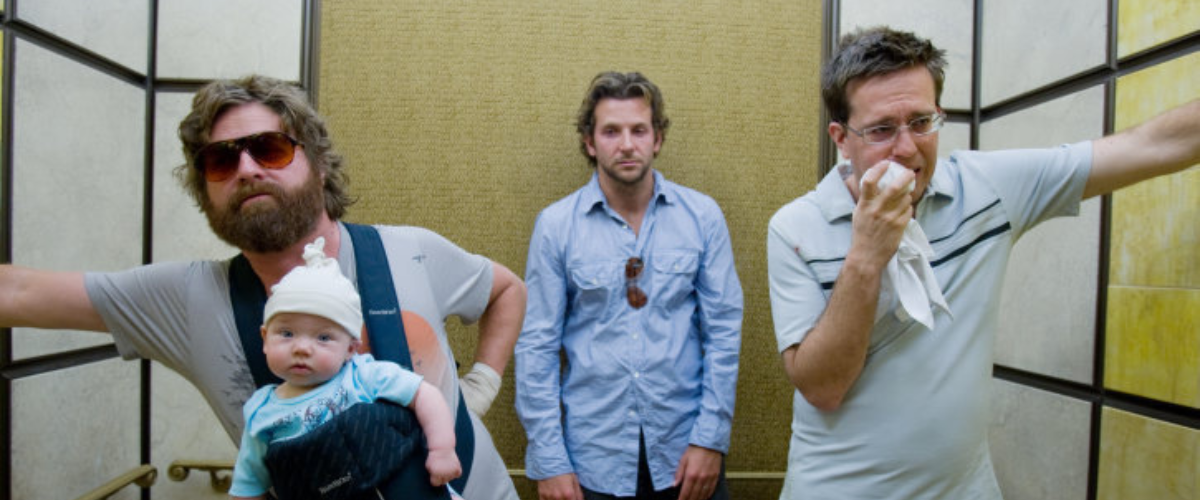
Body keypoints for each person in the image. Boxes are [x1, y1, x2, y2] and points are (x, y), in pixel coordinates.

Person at [0, 75, 524, 500]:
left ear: (318, 167)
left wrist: (480, 388)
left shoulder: (411, 249)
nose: (246, 169)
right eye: (221, 160)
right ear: (205, 192)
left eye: (269, 149)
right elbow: (18, 292)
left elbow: (507, 291)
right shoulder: (186, 299)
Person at [766, 26, 1200, 499]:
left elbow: (1151, 146)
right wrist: (866, 254)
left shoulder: (985, 190)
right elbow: (822, 387)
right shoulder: (795, 229)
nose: (907, 148)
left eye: (921, 121)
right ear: (841, 139)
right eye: (881, 130)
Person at [515, 71, 744, 500]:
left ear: (657, 138)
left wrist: (711, 439)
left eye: (639, 130)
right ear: (589, 142)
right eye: (611, 131)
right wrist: (548, 459)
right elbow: (536, 346)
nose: (626, 144)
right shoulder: (556, 226)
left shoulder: (702, 217)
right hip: (592, 461)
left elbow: (724, 335)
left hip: (686, 455)